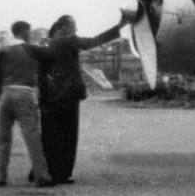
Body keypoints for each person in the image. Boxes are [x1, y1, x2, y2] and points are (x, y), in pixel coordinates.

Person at [38, 12, 131, 184]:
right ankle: (63, 174)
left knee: (51, 135)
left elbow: (41, 75)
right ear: (64, 27)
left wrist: (42, 100)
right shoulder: (70, 39)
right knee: (68, 136)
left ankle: (47, 171)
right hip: (69, 95)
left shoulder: (47, 44)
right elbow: (93, 41)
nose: (76, 29)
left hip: (50, 97)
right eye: (74, 26)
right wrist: (118, 27)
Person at [0, 21, 53, 188]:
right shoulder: (31, 49)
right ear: (24, 32)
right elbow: (50, 55)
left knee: (3, 138)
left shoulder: (3, 50)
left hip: (6, 93)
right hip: (24, 92)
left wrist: (0, 94)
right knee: (32, 137)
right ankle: (42, 177)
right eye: (29, 31)